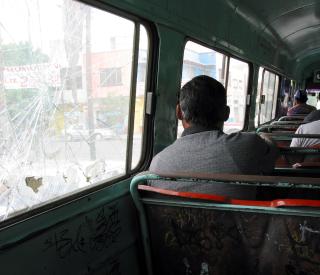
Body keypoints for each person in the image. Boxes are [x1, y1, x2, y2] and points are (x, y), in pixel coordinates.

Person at [149, 75, 278, 199]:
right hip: (236, 222)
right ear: (226, 114)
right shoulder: (247, 146)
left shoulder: (157, 163)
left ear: (178, 112)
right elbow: (272, 156)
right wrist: (263, 135)